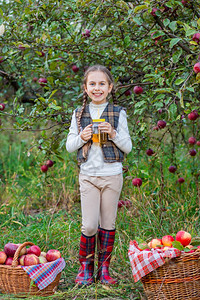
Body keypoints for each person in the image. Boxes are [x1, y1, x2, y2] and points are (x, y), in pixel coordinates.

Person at [66, 65, 132, 286]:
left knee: (108, 223)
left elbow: (128, 147)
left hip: (112, 175)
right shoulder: (78, 114)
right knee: (90, 225)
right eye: (92, 84)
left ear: (110, 87)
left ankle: (104, 270)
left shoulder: (118, 113)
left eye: (102, 83)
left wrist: (113, 134)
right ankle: (85, 267)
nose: (97, 88)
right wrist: (82, 137)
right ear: (85, 88)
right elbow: (69, 145)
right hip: (88, 176)